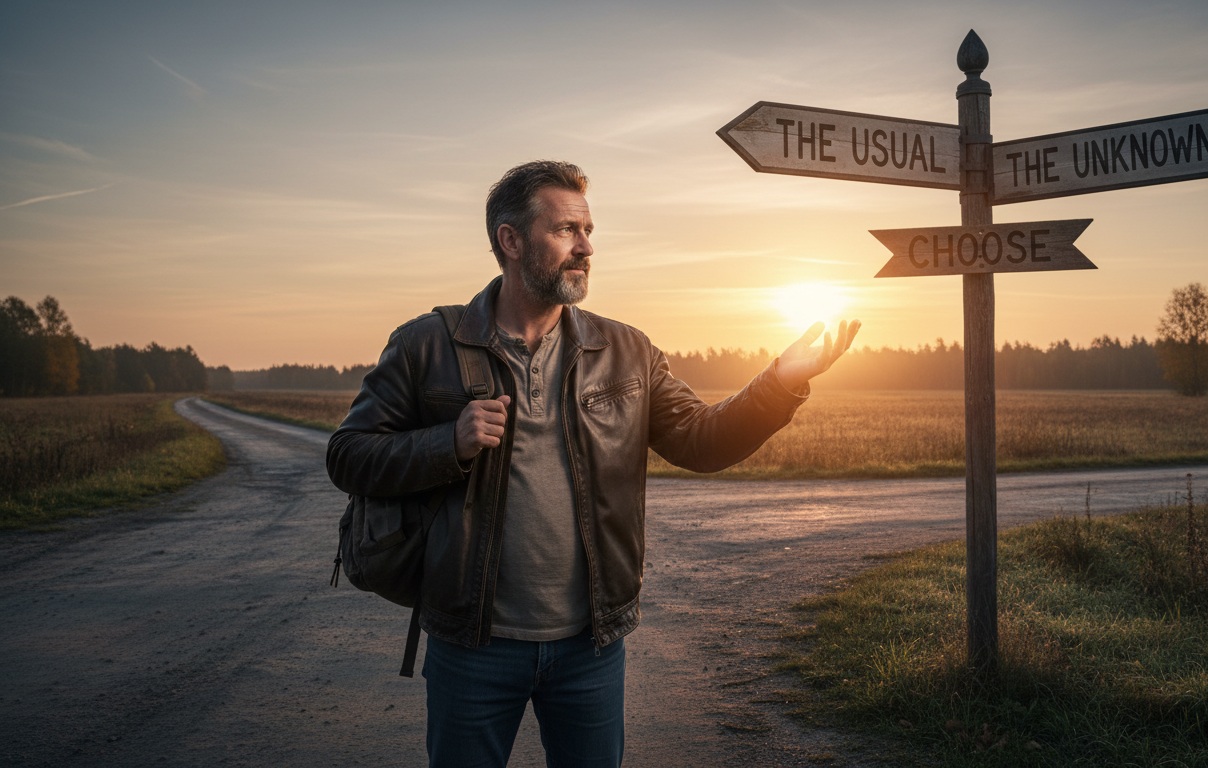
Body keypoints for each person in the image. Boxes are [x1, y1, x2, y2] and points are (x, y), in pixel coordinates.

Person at [326, 160, 859, 767]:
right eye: (566, 230)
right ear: (511, 240)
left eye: (588, 229)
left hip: (591, 648)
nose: (586, 247)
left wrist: (779, 383)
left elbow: (701, 441)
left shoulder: (625, 350)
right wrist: (447, 443)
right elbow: (348, 454)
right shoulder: (427, 345)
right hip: (471, 642)